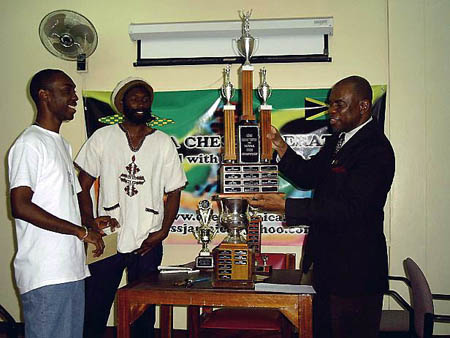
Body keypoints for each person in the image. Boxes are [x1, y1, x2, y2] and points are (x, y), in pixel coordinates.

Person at [248, 75, 395, 338]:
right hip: (327, 268)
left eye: (339, 105)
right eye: (330, 104)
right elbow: (308, 176)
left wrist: (286, 206)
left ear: (363, 107)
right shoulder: (338, 141)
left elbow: (351, 209)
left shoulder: (376, 149)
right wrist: (281, 148)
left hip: (355, 274)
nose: (331, 111)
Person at [75, 77, 187, 338]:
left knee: (143, 311)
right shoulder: (103, 137)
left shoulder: (163, 143)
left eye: (145, 99)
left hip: (148, 237)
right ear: (121, 104)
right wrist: (90, 222)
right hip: (107, 238)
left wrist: (164, 231)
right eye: (134, 98)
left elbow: (174, 191)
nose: (141, 103)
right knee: (96, 304)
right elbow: (82, 185)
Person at [8, 69, 105, 338]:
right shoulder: (29, 143)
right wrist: (79, 232)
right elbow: (21, 205)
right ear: (44, 95)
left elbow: (68, 203)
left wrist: (91, 224)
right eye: (67, 90)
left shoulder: (62, 145)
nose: (74, 96)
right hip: (46, 272)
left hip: (71, 268)